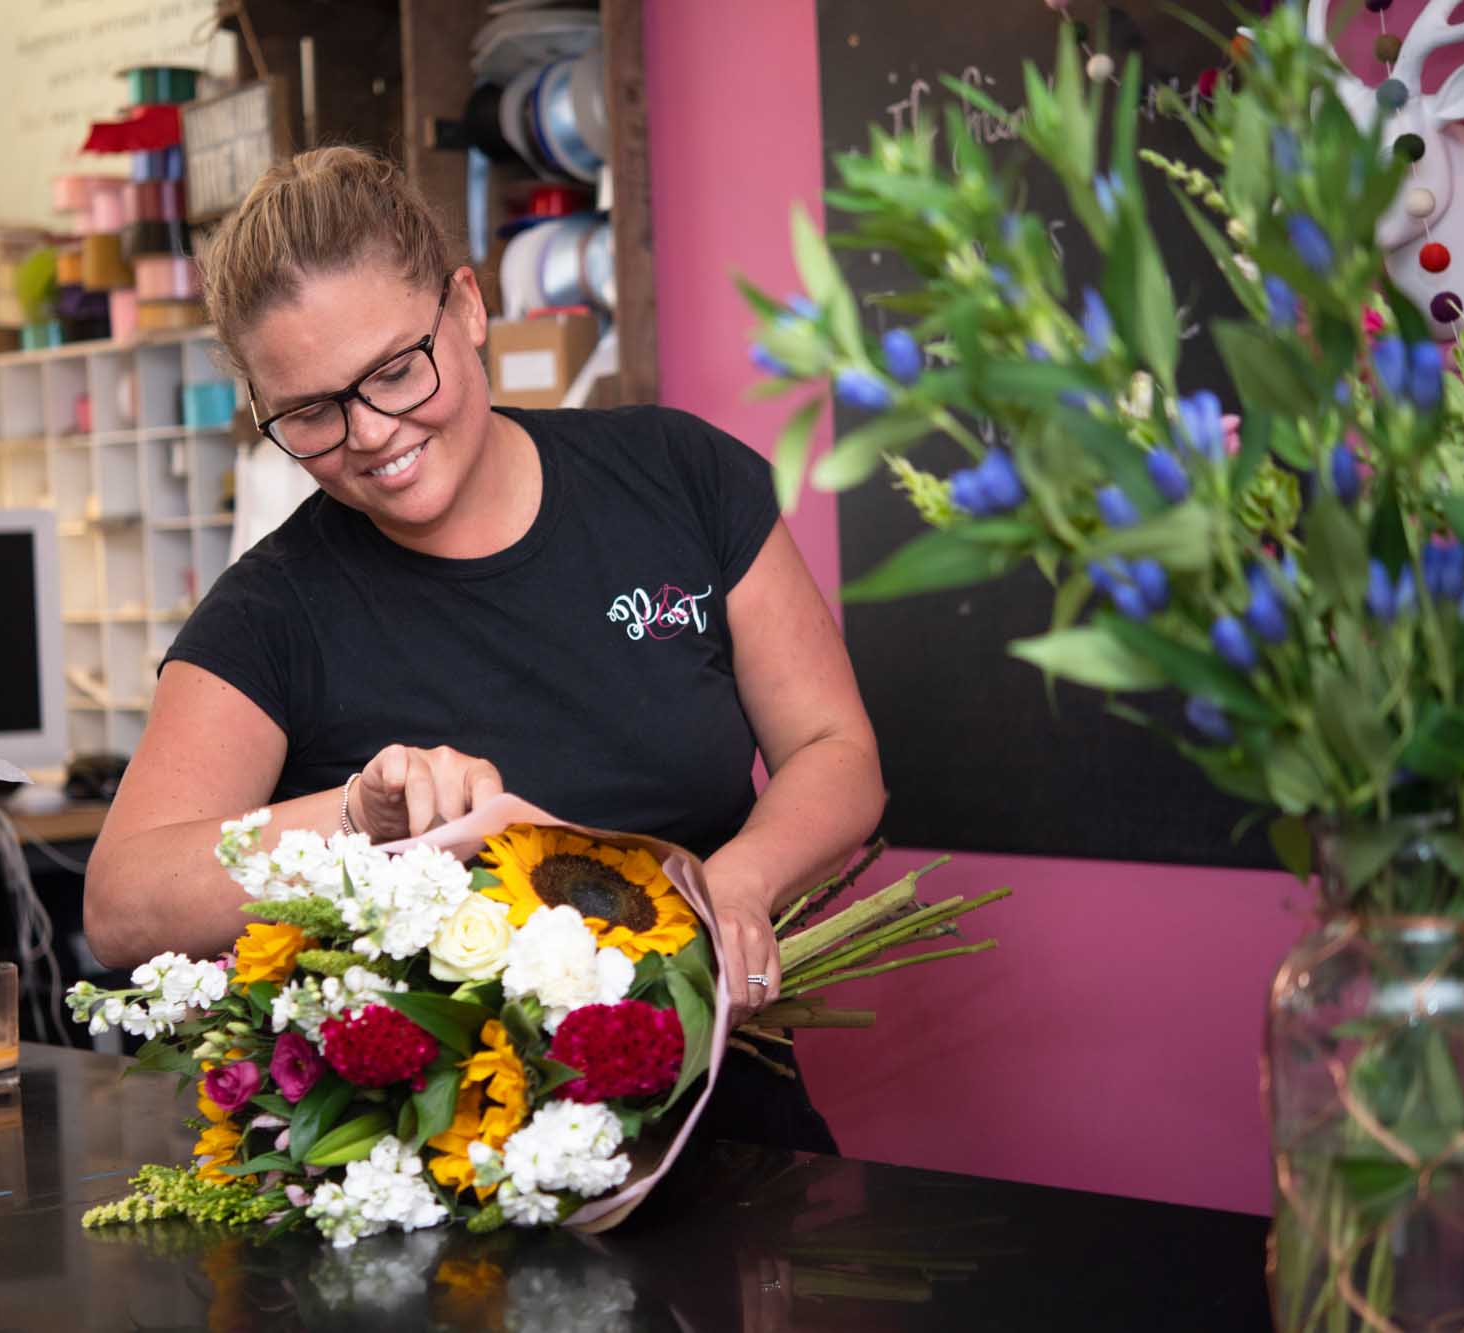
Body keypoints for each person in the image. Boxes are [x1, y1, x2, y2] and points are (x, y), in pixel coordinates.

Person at [83, 146, 884, 1154]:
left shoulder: (679, 480)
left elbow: (833, 750)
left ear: (465, 307)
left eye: (390, 372)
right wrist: (349, 816)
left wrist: (734, 882)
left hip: (729, 1124)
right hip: (453, 1178)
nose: (370, 433)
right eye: (311, 412)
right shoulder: (271, 612)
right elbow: (119, 906)